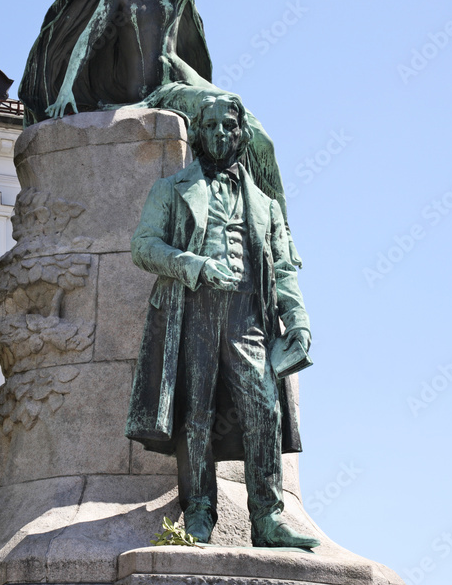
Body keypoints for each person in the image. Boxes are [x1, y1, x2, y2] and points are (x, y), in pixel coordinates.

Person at [18, 0, 302, 265]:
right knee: (229, 113)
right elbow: (87, 40)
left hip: (174, 83)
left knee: (258, 136)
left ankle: (280, 240)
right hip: (149, 97)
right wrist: (63, 91)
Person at [126, 94, 319, 548]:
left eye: (227, 127)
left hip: (249, 314)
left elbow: (285, 269)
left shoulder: (265, 204)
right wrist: (193, 264)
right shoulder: (171, 190)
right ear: (198, 133)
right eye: (209, 126)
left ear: (240, 134)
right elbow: (143, 246)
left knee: (264, 411)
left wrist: (299, 321)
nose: (218, 135)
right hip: (195, 307)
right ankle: (198, 510)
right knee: (196, 412)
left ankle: (268, 519)